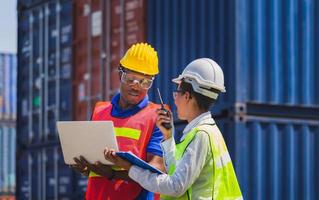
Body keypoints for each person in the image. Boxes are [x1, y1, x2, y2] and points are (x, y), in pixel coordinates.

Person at [104, 58, 243, 199]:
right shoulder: (204, 132)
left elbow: (175, 186)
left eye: (177, 94)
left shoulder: (201, 135)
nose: (175, 100)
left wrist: (130, 167)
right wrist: (168, 137)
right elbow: (176, 171)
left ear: (187, 96)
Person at [71, 43, 166, 200]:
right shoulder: (99, 111)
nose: (136, 87)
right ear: (119, 74)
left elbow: (158, 168)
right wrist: (85, 168)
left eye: (145, 82)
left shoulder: (157, 116)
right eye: (130, 79)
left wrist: (114, 173)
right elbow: (95, 172)